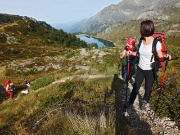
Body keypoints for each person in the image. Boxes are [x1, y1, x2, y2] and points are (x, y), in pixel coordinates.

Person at [124, 20, 171, 110]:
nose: (139, 30)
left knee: (148, 88)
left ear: (145, 30)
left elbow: (160, 57)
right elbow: (139, 54)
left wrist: (166, 57)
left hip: (150, 70)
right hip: (141, 68)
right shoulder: (141, 41)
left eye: (141, 28)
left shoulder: (156, 43)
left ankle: (145, 102)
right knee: (136, 87)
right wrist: (131, 53)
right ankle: (130, 101)